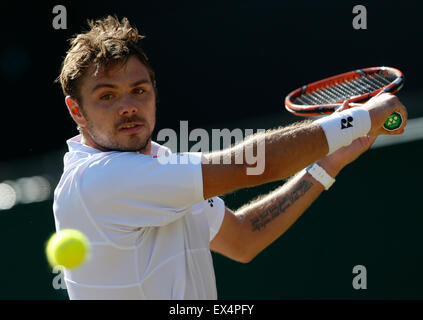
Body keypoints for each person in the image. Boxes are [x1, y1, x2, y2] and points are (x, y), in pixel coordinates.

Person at [53, 15, 408, 299]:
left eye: (138, 90)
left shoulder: (156, 168)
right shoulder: (96, 179)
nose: (128, 106)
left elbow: (243, 238)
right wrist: (360, 119)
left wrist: (329, 162)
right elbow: (254, 164)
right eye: (107, 96)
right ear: (77, 111)